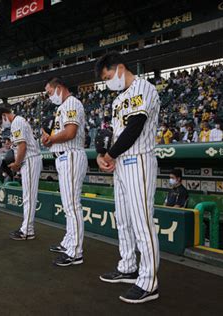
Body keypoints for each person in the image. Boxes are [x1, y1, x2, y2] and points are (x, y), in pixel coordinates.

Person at [95, 51, 160, 304]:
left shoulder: (144, 87)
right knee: (122, 219)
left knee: (142, 222)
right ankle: (128, 266)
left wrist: (110, 154)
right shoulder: (117, 100)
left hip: (140, 159)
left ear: (120, 68)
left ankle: (149, 281)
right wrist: (103, 155)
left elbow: (135, 126)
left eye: (108, 76)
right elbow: (113, 133)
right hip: (121, 163)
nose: (108, 81)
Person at [41, 77, 87, 267]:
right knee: (69, 206)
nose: (49, 96)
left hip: (71, 155)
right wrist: (49, 139)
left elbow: (70, 133)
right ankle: (69, 243)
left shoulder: (71, 103)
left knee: (72, 205)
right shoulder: (64, 106)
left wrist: (50, 139)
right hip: (64, 156)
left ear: (59, 88)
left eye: (50, 92)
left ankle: (75, 252)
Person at [0, 105, 42, 240]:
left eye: (0, 121)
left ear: (4, 115)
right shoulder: (17, 122)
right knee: (28, 196)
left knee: (29, 197)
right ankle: (27, 228)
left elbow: (22, 146)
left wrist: (17, 164)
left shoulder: (17, 122)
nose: (1, 124)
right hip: (29, 160)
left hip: (30, 159)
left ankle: (27, 230)